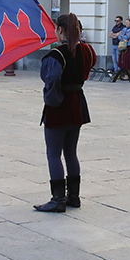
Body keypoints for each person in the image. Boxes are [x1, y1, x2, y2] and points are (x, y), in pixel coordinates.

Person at [35, 13, 96, 212]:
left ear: (60, 30)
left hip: (60, 105)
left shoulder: (56, 55)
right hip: (77, 103)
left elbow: (51, 80)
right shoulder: (87, 50)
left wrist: (52, 100)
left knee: (53, 154)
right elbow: (89, 66)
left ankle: (58, 199)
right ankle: (74, 196)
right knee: (71, 152)